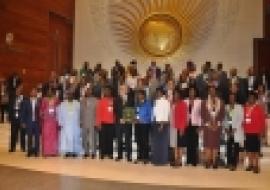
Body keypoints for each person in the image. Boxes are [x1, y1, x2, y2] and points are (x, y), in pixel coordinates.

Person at [202, 86, 225, 169]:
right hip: (208, 127)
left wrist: (217, 124)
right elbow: (203, 114)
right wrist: (209, 124)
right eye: (210, 91)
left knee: (215, 144)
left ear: (216, 92)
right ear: (208, 92)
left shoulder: (221, 102)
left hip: (217, 127)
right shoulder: (204, 102)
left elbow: (222, 115)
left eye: (213, 91)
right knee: (208, 144)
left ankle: (215, 161)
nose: (212, 92)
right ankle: (208, 161)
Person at [244, 92, 266, 174]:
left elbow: (263, 121)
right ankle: (250, 164)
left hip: (256, 132)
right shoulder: (245, 107)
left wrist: (262, 132)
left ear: (255, 99)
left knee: (256, 150)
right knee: (249, 150)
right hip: (248, 131)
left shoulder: (259, 108)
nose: (250, 99)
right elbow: (244, 119)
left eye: (252, 98)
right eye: (249, 98)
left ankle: (256, 165)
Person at [57, 91, 81, 158]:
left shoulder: (77, 104)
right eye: (69, 95)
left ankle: (74, 152)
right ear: (67, 96)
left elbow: (80, 114)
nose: (70, 96)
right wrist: (60, 122)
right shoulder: (63, 104)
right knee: (66, 138)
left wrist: (80, 122)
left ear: (73, 96)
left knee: (75, 138)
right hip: (66, 124)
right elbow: (59, 114)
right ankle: (67, 152)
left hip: (75, 124)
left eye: (71, 95)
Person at [224, 93, 244, 171]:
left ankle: (234, 164)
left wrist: (234, 129)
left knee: (235, 148)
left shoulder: (239, 107)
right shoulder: (226, 107)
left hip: (236, 129)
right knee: (228, 147)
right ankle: (229, 163)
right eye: (230, 97)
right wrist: (226, 128)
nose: (231, 99)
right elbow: (224, 119)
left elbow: (241, 118)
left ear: (235, 98)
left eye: (233, 97)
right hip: (228, 129)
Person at [152, 87, 170, 165]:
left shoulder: (166, 102)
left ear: (162, 93)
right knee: (156, 143)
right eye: (157, 92)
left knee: (163, 143)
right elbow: (155, 113)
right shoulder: (156, 101)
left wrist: (162, 125)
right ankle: (156, 160)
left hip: (163, 124)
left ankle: (163, 161)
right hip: (156, 123)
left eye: (159, 92)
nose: (158, 93)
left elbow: (166, 114)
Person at [96, 86, 115, 159]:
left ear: (110, 92)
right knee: (102, 139)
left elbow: (115, 112)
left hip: (111, 123)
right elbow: (98, 113)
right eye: (106, 91)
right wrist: (98, 123)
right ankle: (102, 153)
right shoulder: (101, 101)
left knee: (110, 139)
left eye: (108, 91)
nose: (107, 92)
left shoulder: (113, 100)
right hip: (103, 123)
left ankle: (110, 153)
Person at [39, 88, 59, 157]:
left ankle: (53, 152)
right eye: (48, 92)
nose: (49, 93)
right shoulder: (44, 99)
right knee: (46, 136)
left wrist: (57, 118)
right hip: (47, 121)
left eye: (51, 92)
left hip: (53, 121)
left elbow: (58, 109)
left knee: (54, 137)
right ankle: (45, 152)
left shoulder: (56, 99)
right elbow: (41, 109)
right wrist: (43, 115)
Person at [21, 88, 41, 157]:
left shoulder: (39, 101)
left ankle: (36, 151)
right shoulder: (26, 102)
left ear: (36, 93)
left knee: (37, 137)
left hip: (37, 123)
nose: (34, 93)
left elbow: (41, 112)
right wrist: (23, 122)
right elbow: (23, 113)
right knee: (29, 137)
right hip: (29, 122)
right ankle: (29, 151)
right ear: (30, 93)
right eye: (32, 92)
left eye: (35, 92)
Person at [171, 89, 188, 167]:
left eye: (177, 94)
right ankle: (175, 159)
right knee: (175, 145)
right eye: (174, 94)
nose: (175, 96)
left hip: (180, 127)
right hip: (173, 127)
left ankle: (179, 160)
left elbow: (184, 117)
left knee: (180, 145)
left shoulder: (183, 104)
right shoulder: (172, 103)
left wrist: (182, 128)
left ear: (180, 95)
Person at [185, 87, 202, 166]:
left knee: (194, 143)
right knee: (188, 143)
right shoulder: (185, 101)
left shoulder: (199, 101)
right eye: (190, 91)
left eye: (193, 91)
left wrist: (200, 126)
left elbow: (201, 114)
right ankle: (188, 160)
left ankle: (194, 161)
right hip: (187, 124)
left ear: (195, 92)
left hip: (195, 124)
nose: (191, 93)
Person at [135, 90, 152, 164]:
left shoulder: (148, 104)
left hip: (145, 124)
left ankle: (145, 157)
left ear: (144, 96)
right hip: (138, 124)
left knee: (145, 141)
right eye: (138, 95)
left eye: (140, 95)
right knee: (139, 140)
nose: (139, 96)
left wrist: (143, 120)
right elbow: (135, 113)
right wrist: (134, 118)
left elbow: (150, 115)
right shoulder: (137, 104)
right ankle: (140, 156)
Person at [80, 87, 97, 158]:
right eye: (87, 91)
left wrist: (97, 122)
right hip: (84, 121)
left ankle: (93, 152)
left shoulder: (95, 100)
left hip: (92, 121)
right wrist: (80, 121)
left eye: (89, 91)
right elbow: (80, 111)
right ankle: (86, 152)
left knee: (93, 137)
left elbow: (97, 112)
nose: (88, 92)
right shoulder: (82, 100)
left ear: (92, 92)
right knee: (84, 137)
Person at [8, 85, 25, 152]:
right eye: (18, 90)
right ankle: (12, 148)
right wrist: (10, 117)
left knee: (22, 133)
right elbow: (9, 107)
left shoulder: (23, 97)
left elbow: (25, 108)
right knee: (13, 133)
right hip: (14, 117)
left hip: (21, 118)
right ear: (16, 90)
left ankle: (23, 147)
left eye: (20, 90)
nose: (18, 91)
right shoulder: (12, 98)